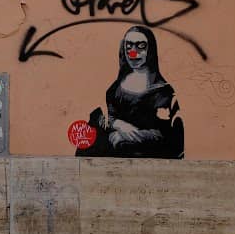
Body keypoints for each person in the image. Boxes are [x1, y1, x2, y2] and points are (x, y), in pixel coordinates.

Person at [76, 25, 184, 159]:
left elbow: (165, 135)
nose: (133, 52)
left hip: (144, 156)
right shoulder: (116, 86)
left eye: (141, 46)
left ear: (150, 50)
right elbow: (105, 116)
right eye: (129, 46)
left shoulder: (163, 92)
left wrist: (129, 136)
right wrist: (119, 125)